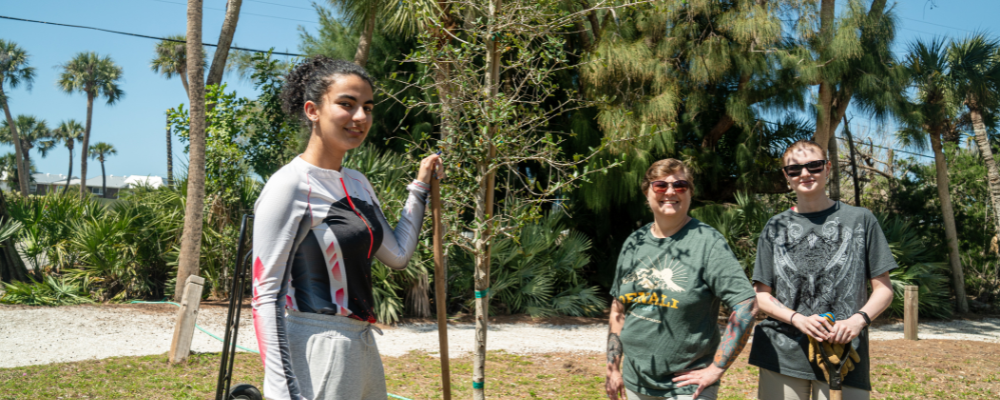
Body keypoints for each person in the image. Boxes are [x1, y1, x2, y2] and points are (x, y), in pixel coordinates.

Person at [251, 56, 443, 400]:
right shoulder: (289, 186)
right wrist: (282, 391)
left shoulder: (357, 183)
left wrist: (420, 188)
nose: (360, 118)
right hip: (315, 347)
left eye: (368, 107)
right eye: (347, 104)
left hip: (362, 345)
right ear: (313, 110)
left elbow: (398, 256)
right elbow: (265, 295)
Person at [748, 140, 895, 400]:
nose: (805, 174)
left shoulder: (860, 220)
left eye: (814, 166)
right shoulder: (775, 226)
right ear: (786, 176)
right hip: (784, 350)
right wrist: (799, 319)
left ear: (828, 168)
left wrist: (857, 321)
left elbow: (884, 289)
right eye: (794, 169)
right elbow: (761, 296)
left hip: (845, 351)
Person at [606, 158, 759, 400]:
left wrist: (717, 367)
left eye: (680, 185)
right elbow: (619, 308)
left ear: (690, 193)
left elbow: (746, 305)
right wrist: (613, 368)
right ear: (647, 192)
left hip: (687, 388)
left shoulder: (708, 242)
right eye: (660, 186)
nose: (670, 192)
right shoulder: (633, 243)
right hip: (635, 382)